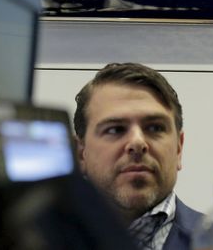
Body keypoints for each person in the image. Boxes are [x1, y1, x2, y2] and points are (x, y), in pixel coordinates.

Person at [74, 62, 203, 250]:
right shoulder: (35, 241)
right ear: (80, 154)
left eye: (155, 128)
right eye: (115, 129)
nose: (137, 143)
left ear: (178, 148)